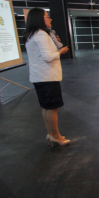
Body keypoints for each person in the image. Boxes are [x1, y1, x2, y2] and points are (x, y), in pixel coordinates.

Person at [23, 8, 70, 147]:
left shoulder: (32, 35)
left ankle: (51, 134)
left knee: (46, 107)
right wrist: (61, 51)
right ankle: (56, 136)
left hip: (39, 77)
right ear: (39, 18)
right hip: (47, 77)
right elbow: (48, 57)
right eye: (47, 16)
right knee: (52, 108)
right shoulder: (41, 35)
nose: (50, 19)